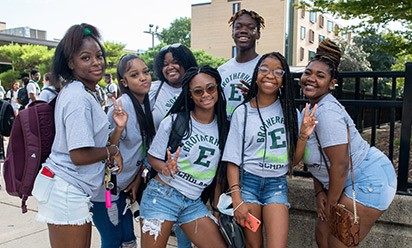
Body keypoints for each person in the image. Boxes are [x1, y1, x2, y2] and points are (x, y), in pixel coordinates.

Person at [31, 23, 127, 248]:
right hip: (65, 189)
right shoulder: (78, 98)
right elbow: (79, 155)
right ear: (70, 63)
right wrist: (113, 151)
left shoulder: (84, 92)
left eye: (99, 55)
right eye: (86, 58)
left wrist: (118, 129)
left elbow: (94, 146)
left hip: (73, 189)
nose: (96, 62)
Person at [299, 39, 397, 247]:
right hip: (346, 180)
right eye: (308, 72)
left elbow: (340, 165)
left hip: (369, 180)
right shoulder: (310, 109)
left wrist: (332, 206)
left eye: (320, 76)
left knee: (337, 243)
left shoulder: (327, 113)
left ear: (332, 83)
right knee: (322, 237)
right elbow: (318, 159)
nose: (311, 79)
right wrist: (319, 193)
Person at [222, 51, 317, 248]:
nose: (270, 76)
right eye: (264, 70)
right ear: (256, 75)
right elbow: (232, 160)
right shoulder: (243, 112)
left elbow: (294, 161)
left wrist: (303, 135)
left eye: (277, 72)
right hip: (248, 184)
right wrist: (237, 198)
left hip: (277, 185)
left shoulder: (290, 112)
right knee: (253, 246)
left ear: (284, 80)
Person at [140, 66, 229, 248]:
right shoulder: (174, 121)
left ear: (218, 89)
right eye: (198, 91)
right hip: (162, 196)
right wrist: (164, 167)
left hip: (193, 202)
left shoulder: (224, 127)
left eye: (210, 88)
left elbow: (220, 172)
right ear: (190, 95)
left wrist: (217, 207)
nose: (205, 94)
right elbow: (151, 158)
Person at [91, 54, 156, 248]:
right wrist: (119, 128)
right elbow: (107, 149)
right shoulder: (121, 107)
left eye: (145, 72)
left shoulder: (147, 103)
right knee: (113, 237)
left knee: (128, 238)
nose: (143, 78)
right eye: (135, 75)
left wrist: (137, 179)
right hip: (106, 192)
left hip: (125, 187)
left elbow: (143, 150)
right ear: (124, 82)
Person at [218, 9, 265, 120]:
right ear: (232, 33)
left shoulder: (264, 68)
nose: (243, 30)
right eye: (238, 27)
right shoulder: (222, 70)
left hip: (254, 127)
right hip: (226, 129)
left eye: (250, 27)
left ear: (258, 34)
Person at [150, 43, 198, 129]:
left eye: (175, 62)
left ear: (186, 64)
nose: (170, 67)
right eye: (165, 64)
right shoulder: (154, 89)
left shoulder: (197, 88)